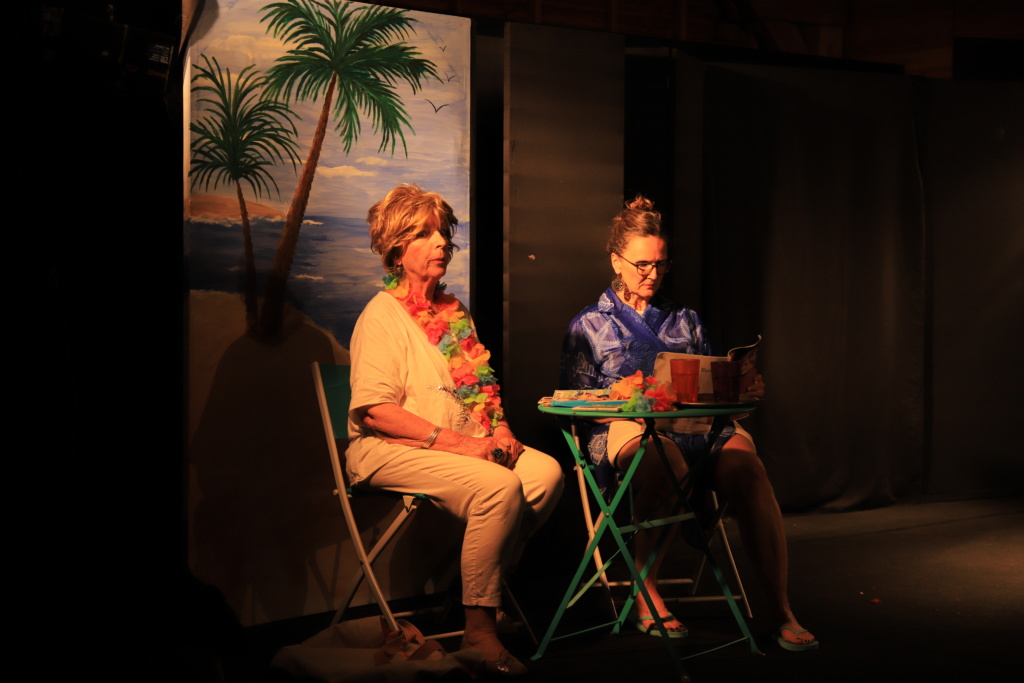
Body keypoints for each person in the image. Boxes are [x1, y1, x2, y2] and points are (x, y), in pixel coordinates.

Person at [560, 195, 818, 652]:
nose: (652, 274)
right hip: (627, 428)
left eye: (660, 264)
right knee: (664, 460)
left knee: (748, 468)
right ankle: (646, 591)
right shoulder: (589, 325)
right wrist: (621, 396)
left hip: (695, 426)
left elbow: (711, 392)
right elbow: (574, 402)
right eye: (642, 264)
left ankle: (781, 610)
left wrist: (741, 388)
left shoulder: (686, 320)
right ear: (616, 261)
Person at [346, 184, 564, 675]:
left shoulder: (454, 311)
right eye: (425, 233)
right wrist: (468, 447)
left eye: (443, 231)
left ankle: (477, 588)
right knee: (499, 486)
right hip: (387, 448)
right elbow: (376, 413)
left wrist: (501, 430)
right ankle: (479, 632)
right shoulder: (380, 316)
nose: (442, 241)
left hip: (462, 445)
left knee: (546, 474)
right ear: (397, 248)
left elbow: (480, 389)